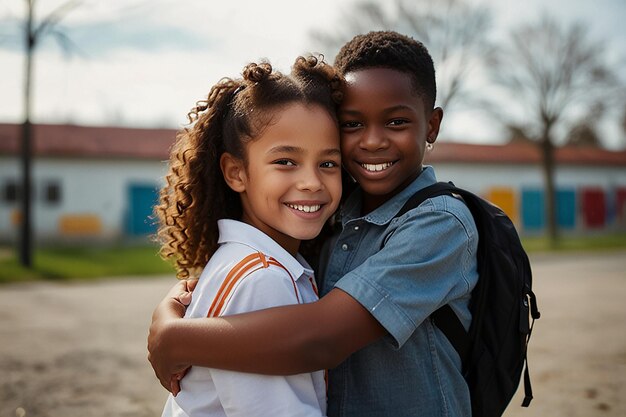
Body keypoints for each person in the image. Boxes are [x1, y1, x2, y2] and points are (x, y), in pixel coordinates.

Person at [149, 31, 479, 417]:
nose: (373, 141)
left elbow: (320, 340)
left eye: (396, 122)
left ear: (432, 126)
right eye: (353, 124)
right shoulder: (328, 218)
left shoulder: (439, 223)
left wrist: (175, 336)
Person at [155, 55, 344, 417]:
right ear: (236, 172)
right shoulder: (262, 278)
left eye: (328, 163)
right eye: (286, 161)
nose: (311, 181)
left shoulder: (268, 264)